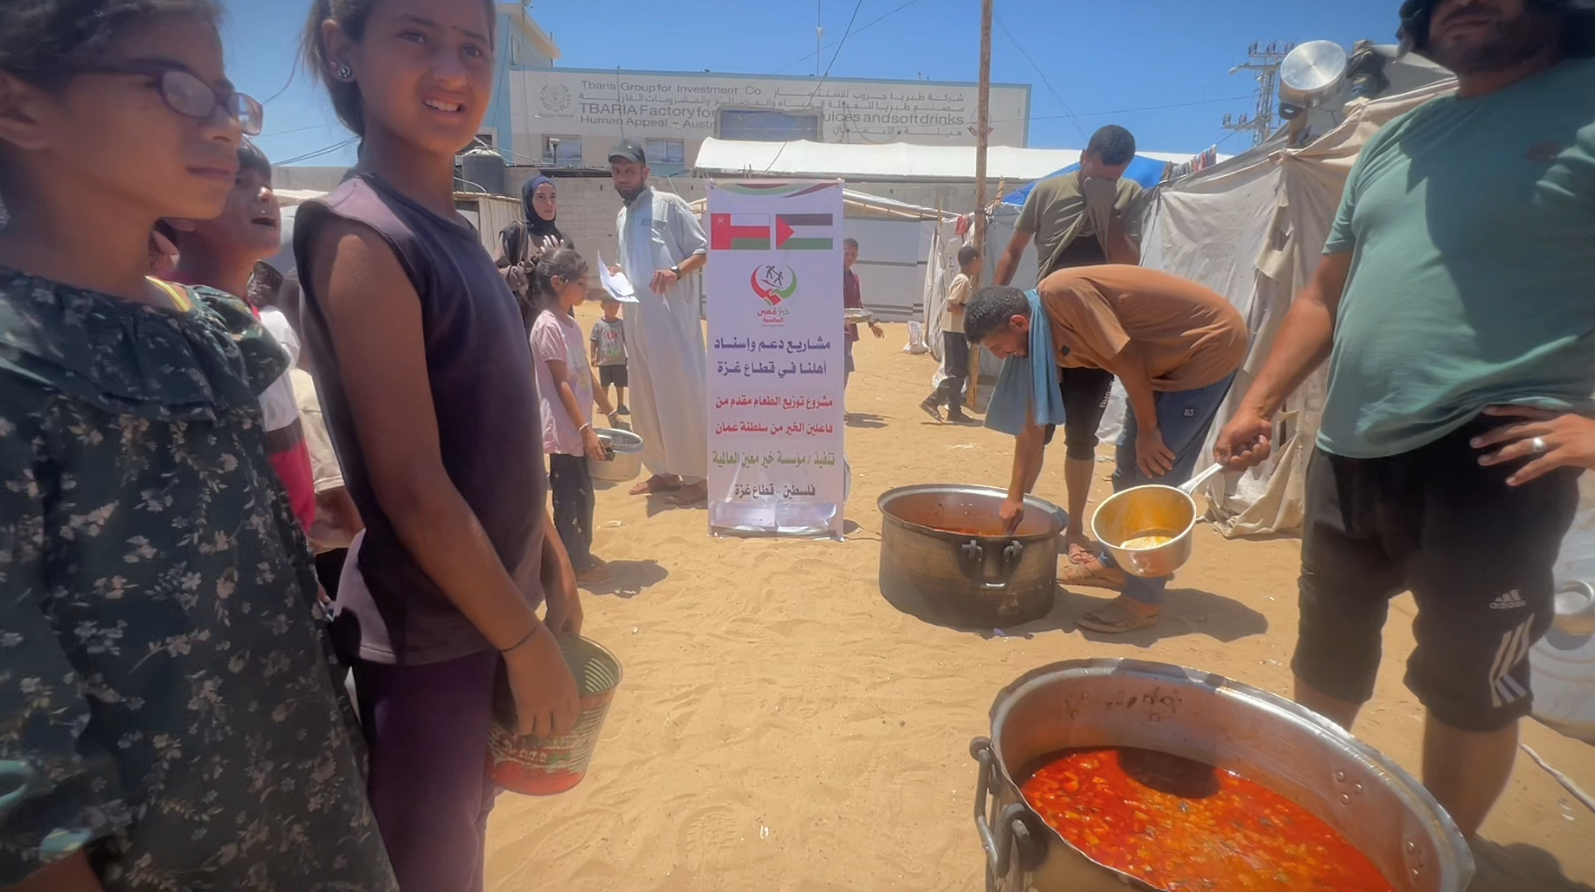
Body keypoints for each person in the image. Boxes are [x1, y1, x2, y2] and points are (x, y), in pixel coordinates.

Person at [0, 1, 395, 889]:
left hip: (313, 823)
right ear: (19, 107)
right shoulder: (17, 362)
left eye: (228, 96)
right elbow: (20, 780)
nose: (224, 124)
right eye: (179, 89)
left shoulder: (207, 333)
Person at [1211, 0, 1595, 840]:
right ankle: (1309, 828)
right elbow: (1321, 294)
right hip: (1348, 446)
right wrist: (1256, 402)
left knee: (1467, 686)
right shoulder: (1396, 141)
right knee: (1326, 656)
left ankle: (1435, 860)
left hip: (1489, 460)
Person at [297, 1, 583, 889]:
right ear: (345, 52)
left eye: (472, 46)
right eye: (415, 36)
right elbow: (416, 488)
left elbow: (489, 442)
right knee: (428, 865)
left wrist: (549, 558)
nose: (452, 71)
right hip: (428, 647)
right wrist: (526, 646)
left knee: (462, 838)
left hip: (485, 621)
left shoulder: (449, 229)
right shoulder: (361, 235)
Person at [965, 266, 1248, 633]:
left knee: (1155, 477)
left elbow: (1127, 358)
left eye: (995, 347)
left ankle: (1142, 601)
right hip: (1156, 367)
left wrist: (1149, 429)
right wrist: (1015, 496)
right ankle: (1115, 565)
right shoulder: (1032, 344)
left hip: (1204, 348)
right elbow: (1032, 426)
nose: (1000, 356)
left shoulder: (1062, 295)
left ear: (1018, 322)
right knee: (1125, 467)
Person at [992, 124, 1144, 566]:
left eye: (1115, 177)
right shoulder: (1047, 192)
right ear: (1085, 157)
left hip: (1099, 335)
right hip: (1045, 330)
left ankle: (1075, 528)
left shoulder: (1129, 195)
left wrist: (1106, 206)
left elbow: (1128, 262)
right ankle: (1017, 511)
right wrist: (995, 298)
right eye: (1100, 174)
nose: (1107, 182)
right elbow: (1014, 250)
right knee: (1032, 429)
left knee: (1082, 437)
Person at [165, 139, 318, 536]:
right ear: (181, 209)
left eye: (266, 182)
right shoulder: (176, 323)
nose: (265, 194)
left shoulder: (251, 320)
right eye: (239, 181)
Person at [609, 139, 712, 506]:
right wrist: (619, 273)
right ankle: (663, 472)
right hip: (635, 319)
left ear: (645, 172)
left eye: (630, 171)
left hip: (670, 322)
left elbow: (705, 249)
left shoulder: (669, 205)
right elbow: (634, 260)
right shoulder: (622, 215)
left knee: (679, 396)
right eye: (618, 171)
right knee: (645, 397)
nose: (623, 177)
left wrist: (674, 272)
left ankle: (699, 477)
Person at [532, 248, 616, 586]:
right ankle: (570, 564)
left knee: (585, 496)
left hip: (580, 429)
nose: (586, 290)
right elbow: (561, 382)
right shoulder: (548, 326)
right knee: (569, 500)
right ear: (557, 282)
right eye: (580, 284)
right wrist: (584, 429)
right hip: (565, 431)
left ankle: (579, 556)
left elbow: (584, 373)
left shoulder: (570, 324)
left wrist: (610, 411)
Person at [498, 173, 569, 335]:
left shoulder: (564, 240)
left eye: (553, 197)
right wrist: (532, 265)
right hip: (520, 326)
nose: (549, 203)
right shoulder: (514, 234)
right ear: (529, 200)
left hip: (556, 327)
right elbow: (496, 277)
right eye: (541, 197)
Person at [920, 244, 981, 424]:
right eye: (979, 261)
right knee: (957, 374)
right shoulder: (963, 280)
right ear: (972, 262)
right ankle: (932, 401)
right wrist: (971, 312)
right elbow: (952, 304)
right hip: (954, 332)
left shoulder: (963, 279)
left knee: (958, 372)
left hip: (955, 331)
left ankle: (954, 411)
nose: (980, 265)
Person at [842, 236, 886, 393]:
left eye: (853, 255)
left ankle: (839, 404)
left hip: (847, 331)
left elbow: (857, 303)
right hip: (828, 333)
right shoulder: (827, 275)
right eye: (846, 253)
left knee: (844, 367)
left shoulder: (854, 279)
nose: (849, 258)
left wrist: (871, 323)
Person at [591, 296, 630, 417]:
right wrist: (593, 356)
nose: (613, 309)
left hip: (619, 360)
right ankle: (604, 404)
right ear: (603, 306)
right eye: (610, 306)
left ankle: (620, 404)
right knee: (604, 385)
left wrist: (629, 355)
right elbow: (594, 341)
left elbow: (626, 341)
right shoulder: (599, 324)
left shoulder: (621, 324)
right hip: (604, 361)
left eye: (616, 307)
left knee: (620, 384)